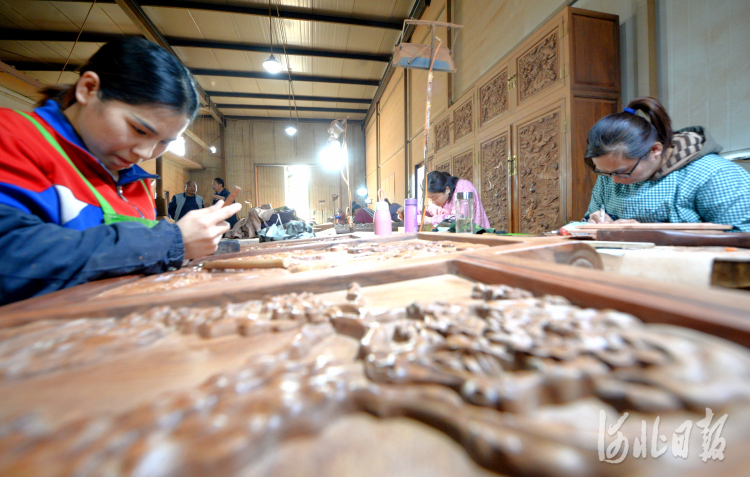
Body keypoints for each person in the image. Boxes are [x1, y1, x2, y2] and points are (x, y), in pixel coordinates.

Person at [0, 38, 241, 305]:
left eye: (164, 142)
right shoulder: (11, 138)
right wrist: (169, 243)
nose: (146, 153)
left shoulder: (133, 183)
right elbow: (11, 257)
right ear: (89, 89)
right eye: (139, 130)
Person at [584, 97, 750, 232]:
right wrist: (594, 221)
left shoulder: (714, 174)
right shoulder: (611, 173)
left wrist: (650, 234)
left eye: (622, 172)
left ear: (655, 150)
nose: (614, 181)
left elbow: (743, 236)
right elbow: (588, 220)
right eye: (605, 173)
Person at [400, 171, 490, 229]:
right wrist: (412, 214)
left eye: (435, 198)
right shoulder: (437, 201)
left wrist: (429, 220)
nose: (433, 202)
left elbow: (461, 219)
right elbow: (431, 214)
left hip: (473, 237)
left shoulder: (463, 187)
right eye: (430, 198)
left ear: (447, 189)